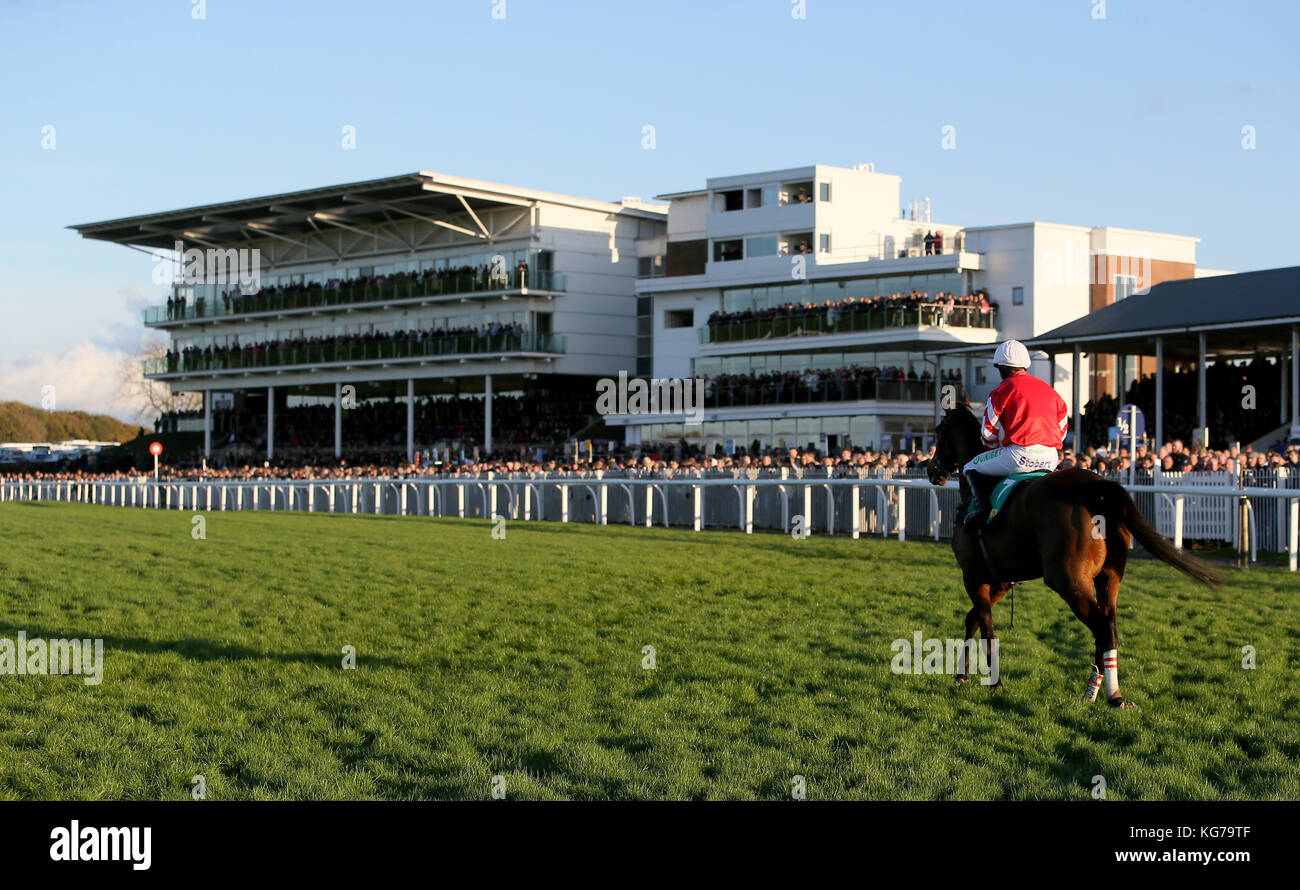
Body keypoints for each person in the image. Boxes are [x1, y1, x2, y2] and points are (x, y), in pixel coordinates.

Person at [961, 340, 1068, 530]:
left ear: (1001, 367)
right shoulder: (1049, 390)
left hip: (1018, 456)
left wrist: (995, 450)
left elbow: (987, 433)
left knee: (970, 466)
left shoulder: (1001, 390)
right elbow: (1063, 427)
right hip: (1051, 458)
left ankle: (982, 509)